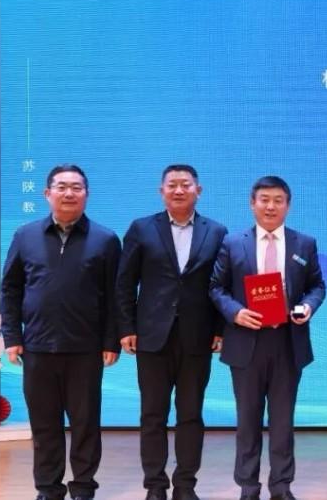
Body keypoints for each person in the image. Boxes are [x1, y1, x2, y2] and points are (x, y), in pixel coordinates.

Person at [0, 164, 121, 500]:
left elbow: (116, 296)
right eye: (62, 187)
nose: (69, 193)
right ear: (47, 193)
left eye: (76, 187)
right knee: (44, 424)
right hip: (37, 347)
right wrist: (12, 336)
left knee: (85, 424)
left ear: (87, 194)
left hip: (86, 349)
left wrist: (111, 340)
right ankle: (48, 489)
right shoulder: (25, 236)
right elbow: (10, 288)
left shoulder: (105, 239)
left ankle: (83, 488)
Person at [115, 164, 228, 500]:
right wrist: (126, 327)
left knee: (191, 415)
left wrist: (220, 328)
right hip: (151, 336)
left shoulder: (216, 231)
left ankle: (185, 485)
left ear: (198, 191)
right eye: (172, 184)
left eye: (186, 184)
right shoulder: (141, 228)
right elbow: (125, 283)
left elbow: (223, 284)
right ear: (161, 191)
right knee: (153, 415)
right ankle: (155, 486)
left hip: (198, 337)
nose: (179, 190)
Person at [209, 176, 325, 500]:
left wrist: (307, 306)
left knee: (283, 421)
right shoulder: (233, 243)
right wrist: (235, 313)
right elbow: (216, 287)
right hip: (246, 342)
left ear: (288, 205)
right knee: (247, 420)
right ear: (252, 203)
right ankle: (248, 487)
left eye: (278, 200)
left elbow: (317, 286)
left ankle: (281, 486)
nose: (270, 206)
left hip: (287, 341)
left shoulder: (304, 243)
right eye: (264, 199)